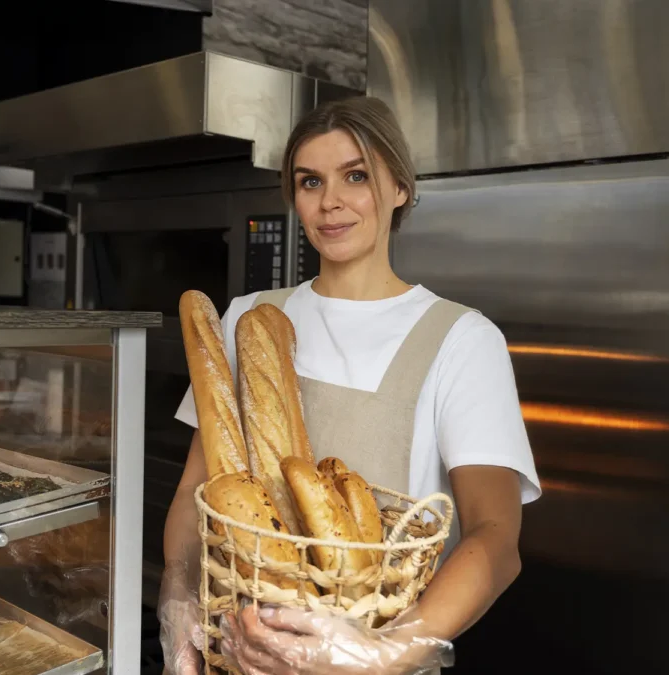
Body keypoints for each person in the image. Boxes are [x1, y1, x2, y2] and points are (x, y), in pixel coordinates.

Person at [158, 94, 541, 675]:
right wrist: (177, 593)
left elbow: (495, 539)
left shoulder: (461, 339)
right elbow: (197, 490)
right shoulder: (248, 317)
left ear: (400, 189)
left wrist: (378, 654)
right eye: (310, 182)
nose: (330, 202)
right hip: (235, 656)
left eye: (356, 176)